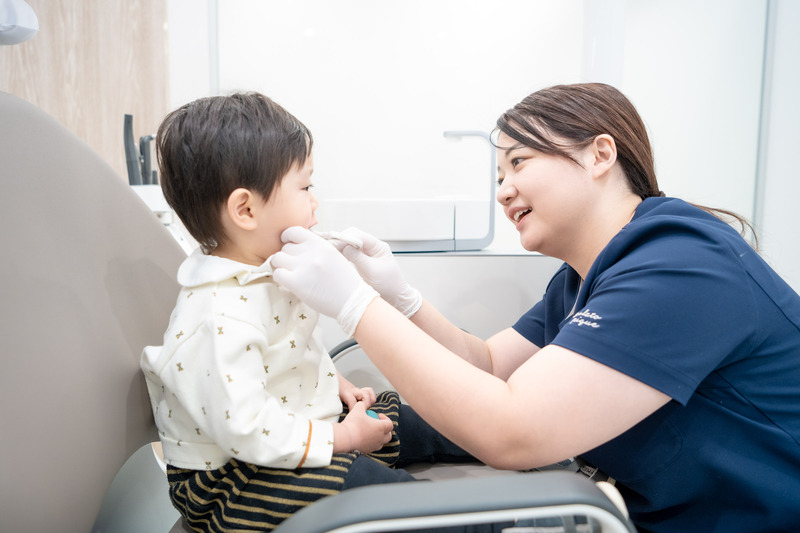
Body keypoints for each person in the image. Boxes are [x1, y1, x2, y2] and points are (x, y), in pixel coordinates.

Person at [271, 83, 800, 533]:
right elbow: (489, 365)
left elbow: (513, 431)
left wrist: (356, 305)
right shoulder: (581, 279)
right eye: (499, 176)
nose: (504, 192)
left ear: (600, 154)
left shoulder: (679, 265)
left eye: (518, 162)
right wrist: (401, 299)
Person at [141, 92, 478, 532]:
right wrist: (346, 437)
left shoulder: (263, 272)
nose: (314, 202)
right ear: (246, 209)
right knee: (363, 483)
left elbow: (285, 354)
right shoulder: (216, 316)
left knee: (402, 417)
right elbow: (248, 429)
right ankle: (485, 522)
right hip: (232, 477)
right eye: (304, 188)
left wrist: (334, 386)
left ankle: (513, 447)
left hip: (282, 431)